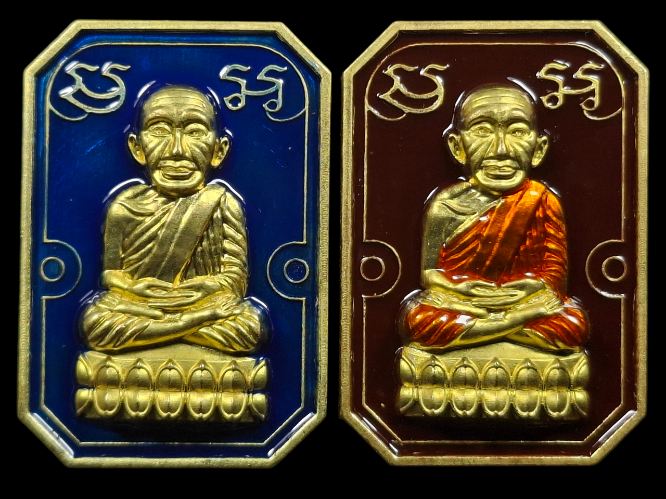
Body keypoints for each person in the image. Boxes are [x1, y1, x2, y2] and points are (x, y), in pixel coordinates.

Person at [399, 84, 588, 353]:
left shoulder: (542, 200)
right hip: (465, 303)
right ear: (457, 146)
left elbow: (554, 278)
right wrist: (461, 289)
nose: (501, 148)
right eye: (482, 130)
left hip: (522, 301)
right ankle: (510, 326)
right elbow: (429, 275)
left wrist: (532, 287)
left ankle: (487, 330)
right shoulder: (445, 205)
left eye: (517, 131)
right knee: (418, 318)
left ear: (539, 148)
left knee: (573, 323)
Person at [82, 85, 268, 354]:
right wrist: (133, 287)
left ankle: (166, 330)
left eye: (194, 131)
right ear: (137, 147)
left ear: (219, 150)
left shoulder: (223, 202)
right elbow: (111, 274)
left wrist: (205, 288)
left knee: (251, 325)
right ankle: (189, 325)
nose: (177, 149)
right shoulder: (124, 205)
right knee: (95, 320)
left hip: (198, 302)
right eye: (159, 130)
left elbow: (235, 280)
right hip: (142, 305)